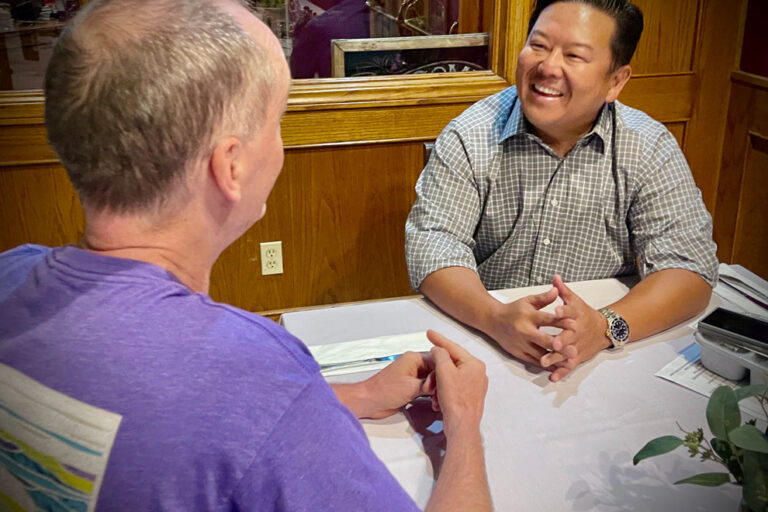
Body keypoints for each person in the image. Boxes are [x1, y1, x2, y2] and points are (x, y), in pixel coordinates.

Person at [0, 0, 491, 510]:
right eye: (277, 120)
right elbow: (235, 402)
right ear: (229, 166)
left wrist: (358, 395)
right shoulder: (252, 372)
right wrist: (464, 423)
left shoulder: (9, 275)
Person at [405, 0, 718, 382]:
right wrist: (492, 316)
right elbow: (433, 244)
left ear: (615, 81)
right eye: (539, 45)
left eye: (574, 55)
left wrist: (604, 327)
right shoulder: (471, 134)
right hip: (485, 341)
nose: (548, 66)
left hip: (604, 357)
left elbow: (689, 267)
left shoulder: (648, 146)